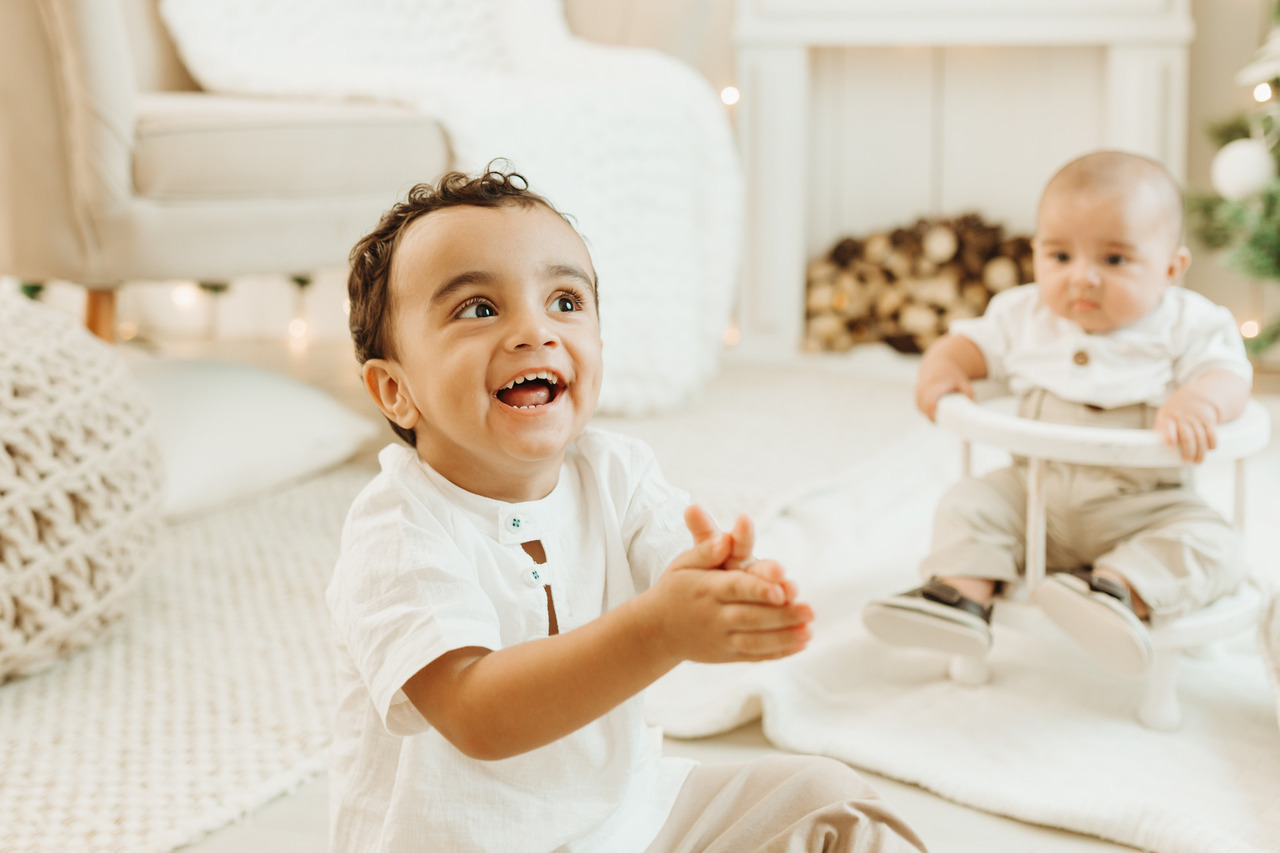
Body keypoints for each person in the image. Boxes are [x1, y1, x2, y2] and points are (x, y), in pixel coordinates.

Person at [327, 166, 928, 853]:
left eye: (564, 300)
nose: (534, 330)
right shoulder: (396, 530)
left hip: (627, 824)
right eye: (479, 309)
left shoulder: (615, 471)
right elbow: (476, 715)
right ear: (395, 391)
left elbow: (679, 565)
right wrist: (658, 630)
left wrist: (726, 587)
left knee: (828, 799)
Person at [862, 150, 1253, 677]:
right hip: (1033, 498)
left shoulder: (1189, 324)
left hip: (1145, 509)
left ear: (1170, 269)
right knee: (968, 502)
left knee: (1218, 546)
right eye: (1061, 256)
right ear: (1035, 253)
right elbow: (966, 346)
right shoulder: (1023, 315)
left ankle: (1115, 588)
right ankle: (959, 597)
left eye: (1114, 260)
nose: (1082, 278)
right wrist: (943, 368)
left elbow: (1229, 374)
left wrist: (1201, 399)